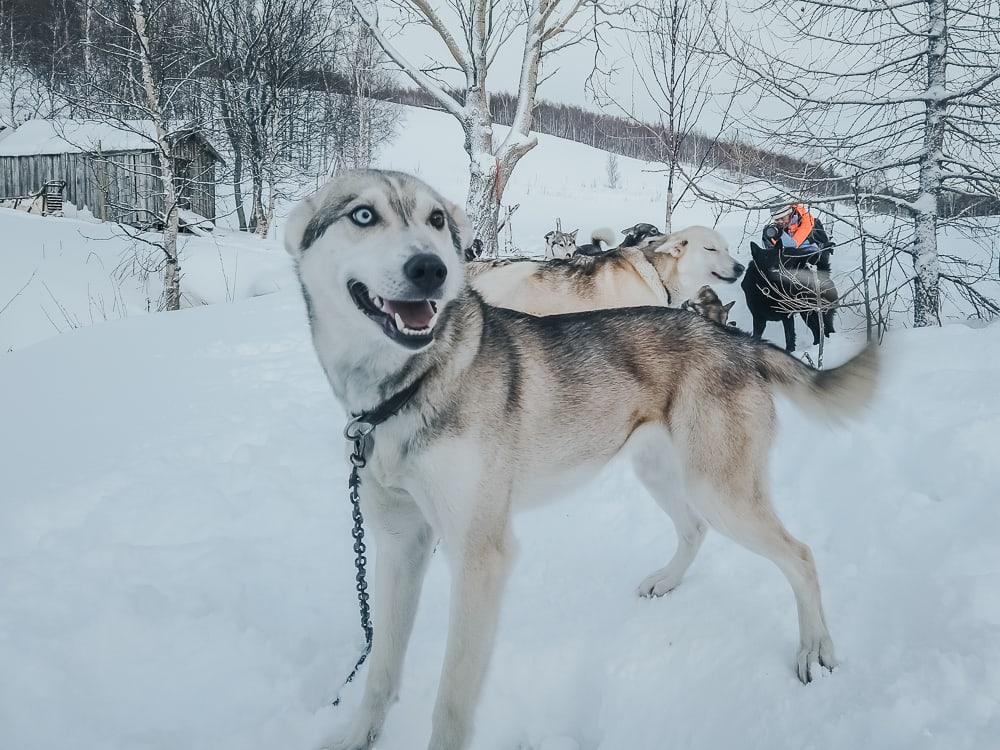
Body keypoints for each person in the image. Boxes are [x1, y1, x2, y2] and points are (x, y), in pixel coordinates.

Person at [761, 203, 834, 272]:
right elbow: (774, 252)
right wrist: (773, 237)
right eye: (777, 220)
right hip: (789, 264)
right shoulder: (774, 230)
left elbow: (793, 244)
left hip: (810, 257)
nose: (780, 222)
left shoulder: (806, 221)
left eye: (783, 218)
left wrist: (781, 235)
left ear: (789, 213)